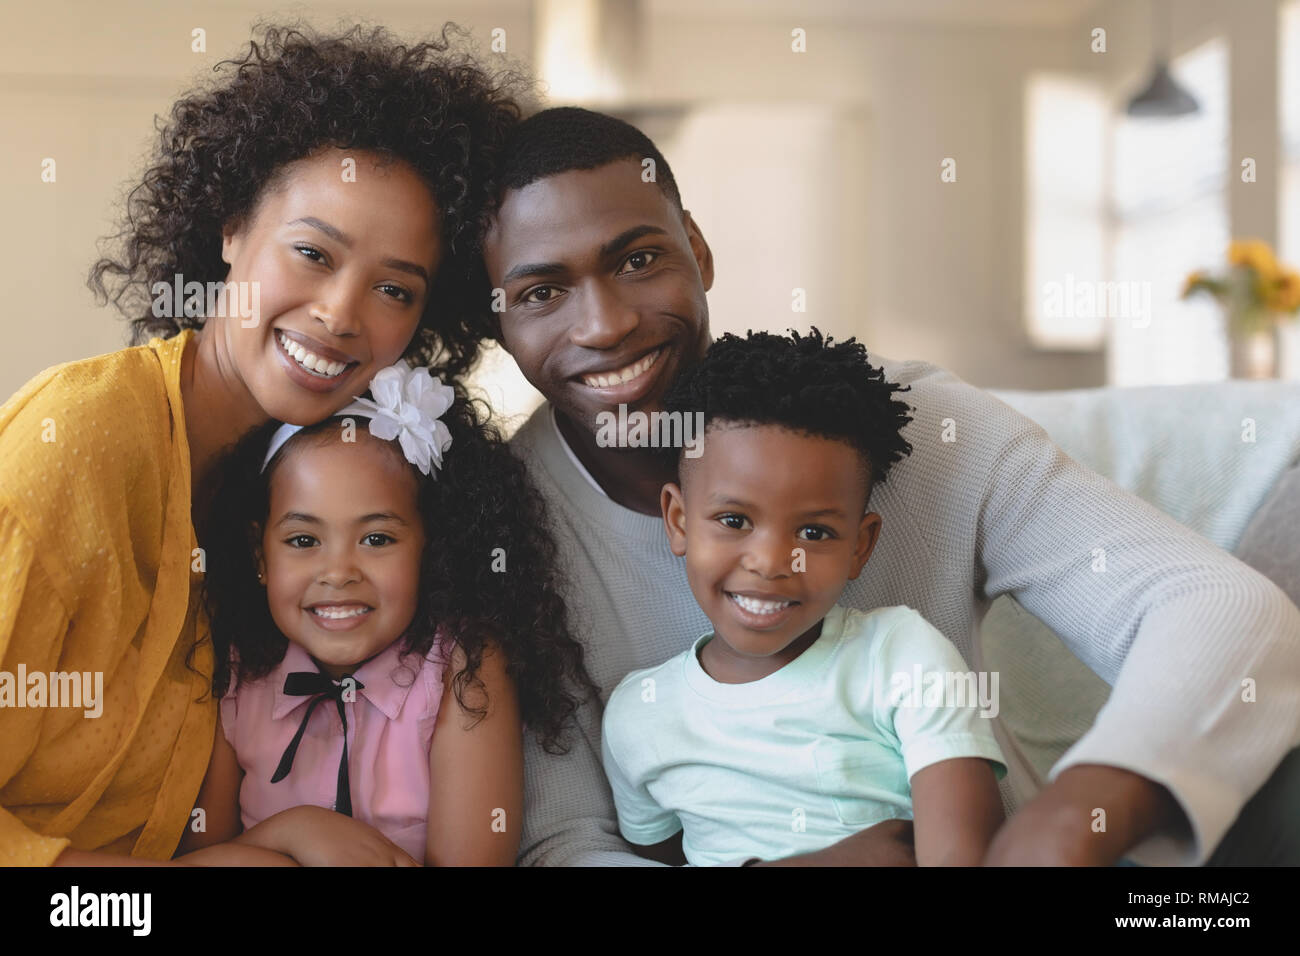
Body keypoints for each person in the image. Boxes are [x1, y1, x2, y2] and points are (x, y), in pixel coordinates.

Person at [480, 106, 1300, 866]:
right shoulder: (504, 519)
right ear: (498, 319)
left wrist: (1066, 823)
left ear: (698, 247)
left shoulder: (914, 429)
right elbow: (565, 840)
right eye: (542, 292)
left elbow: (1221, 608)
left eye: (639, 258)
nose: (604, 324)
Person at [0, 24, 524, 866]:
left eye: (394, 288)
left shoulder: (298, 480)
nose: (341, 313)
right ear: (232, 226)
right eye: (313, 252)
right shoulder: (85, 440)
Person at [601, 329, 1007, 867]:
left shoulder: (901, 658)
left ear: (860, 546)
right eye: (733, 520)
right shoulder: (639, 715)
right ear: (679, 521)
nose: (771, 563)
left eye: (814, 533)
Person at [173, 364, 593, 866]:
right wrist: (296, 833)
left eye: (377, 539)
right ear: (261, 556)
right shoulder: (238, 672)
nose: (338, 573)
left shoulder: (463, 670)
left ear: (429, 548)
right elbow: (199, 859)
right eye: (303, 541)